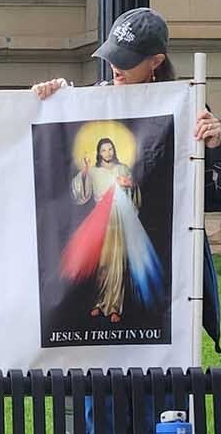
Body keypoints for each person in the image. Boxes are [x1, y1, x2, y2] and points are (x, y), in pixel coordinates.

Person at [34, 7, 221, 434]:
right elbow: (61, 178)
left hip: (161, 292)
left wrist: (213, 147)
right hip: (93, 287)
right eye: (111, 61)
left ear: (157, 63)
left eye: (126, 63)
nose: (115, 71)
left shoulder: (186, 108)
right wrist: (54, 98)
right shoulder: (89, 105)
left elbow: (219, 196)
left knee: (162, 410)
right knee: (100, 413)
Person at [62, 136, 164, 323]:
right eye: (103, 150)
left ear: (114, 150)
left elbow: (134, 193)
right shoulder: (93, 171)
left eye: (110, 149)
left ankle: (115, 307)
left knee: (118, 263)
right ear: (98, 153)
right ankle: (99, 303)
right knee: (102, 263)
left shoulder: (122, 169)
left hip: (120, 219)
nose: (107, 153)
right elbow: (80, 193)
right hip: (101, 221)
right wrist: (85, 170)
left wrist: (129, 185)